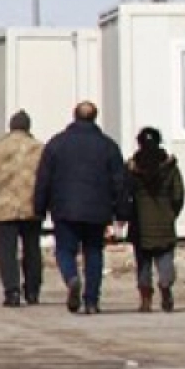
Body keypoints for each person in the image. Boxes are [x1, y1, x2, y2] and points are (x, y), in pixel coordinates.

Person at [34, 101, 129, 315]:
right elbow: (120, 181)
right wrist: (122, 212)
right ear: (95, 117)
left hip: (64, 209)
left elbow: (44, 179)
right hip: (97, 210)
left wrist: (39, 209)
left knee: (65, 250)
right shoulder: (108, 146)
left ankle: (71, 278)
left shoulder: (57, 144)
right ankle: (92, 301)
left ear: (74, 116)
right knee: (94, 252)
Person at [0, 110, 46, 307]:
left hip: (3, 206)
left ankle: (12, 291)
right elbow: (47, 177)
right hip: (32, 206)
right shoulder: (39, 147)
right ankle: (32, 290)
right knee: (32, 249)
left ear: (11, 126)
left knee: (6, 251)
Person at [126, 126, 185, 313]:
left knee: (143, 261)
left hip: (140, 220)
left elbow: (124, 192)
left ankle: (145, 297)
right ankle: (165, 285)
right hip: (164, 217)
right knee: (165, 256)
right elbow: (178, 194)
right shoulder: (170, 168)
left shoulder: (132, 168)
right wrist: (171, 213)